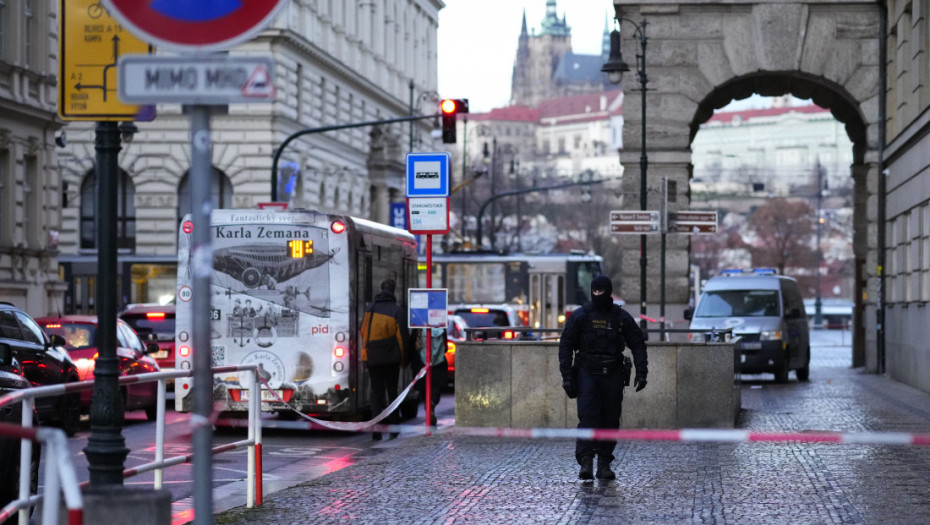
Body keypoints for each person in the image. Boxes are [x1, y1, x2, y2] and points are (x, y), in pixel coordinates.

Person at [558, 275, 648, 481]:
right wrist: (567, 376)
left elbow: (638, 344)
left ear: (608, 291)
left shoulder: (621, 317)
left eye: (601, 291)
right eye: (595, 291)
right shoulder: (581, 316)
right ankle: (586, 461)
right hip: (587, 373)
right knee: (588, 418)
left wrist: (642, 372)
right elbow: (566, 346)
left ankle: (604, 463)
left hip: (613, 374)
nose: (598, 294)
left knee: (610, 419)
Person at [360, 279, 408, 440]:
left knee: (376, 394)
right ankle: (394, 428)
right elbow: (401, 338)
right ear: (393, 291)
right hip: (391, 358)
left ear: (381, 289)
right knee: (392, 392)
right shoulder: (397, 310)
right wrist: (403, 359)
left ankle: (376, 430)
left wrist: (367, 353)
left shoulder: (370, 309)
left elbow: (363, 331)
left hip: (373, 357)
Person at [410, 327, 448, 426]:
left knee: (424, 389)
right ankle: (432, 404)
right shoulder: (441, 327)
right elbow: (446, 347)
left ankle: (428, 405)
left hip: (421, 365)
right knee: (435, 389)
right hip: (438, 364)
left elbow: (411, 345)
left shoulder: (417, 327)